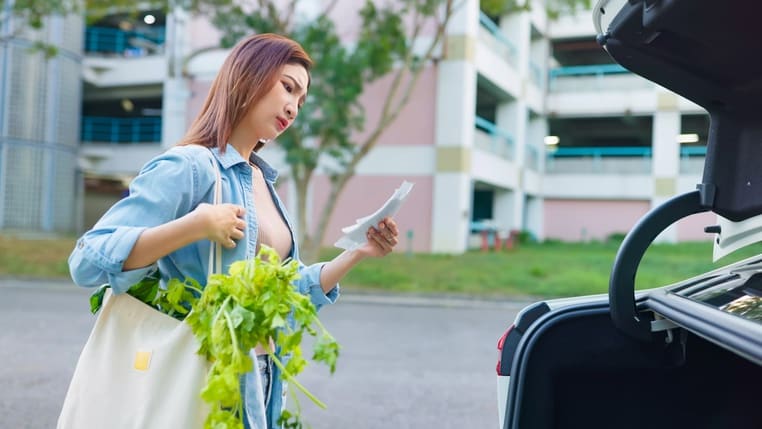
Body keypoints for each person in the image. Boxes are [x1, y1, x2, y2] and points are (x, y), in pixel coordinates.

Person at [68, 33, 400, 429]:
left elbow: (283, 292)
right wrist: (195, 226)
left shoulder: (265, 183)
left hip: (256, 378)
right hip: (192, 379)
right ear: (249, 77)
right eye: (287, 87)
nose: (293, 107)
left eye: (301, 99)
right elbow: (88, 260)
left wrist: (356, 253)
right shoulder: (189, 167)